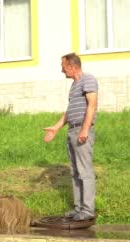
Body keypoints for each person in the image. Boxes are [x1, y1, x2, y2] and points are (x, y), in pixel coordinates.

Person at [43, 53, 98, 221]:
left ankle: (88, 210)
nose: (61, 70)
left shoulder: (88, 79)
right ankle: (78, 208)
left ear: (72, 66)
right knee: (75, 172)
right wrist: (56, 128)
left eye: (63, 66)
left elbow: (92, 105)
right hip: (72, 131)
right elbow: (69, 112)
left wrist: (84, 130)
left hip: (81, 130)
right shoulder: (74, 86)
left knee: (85, 171)